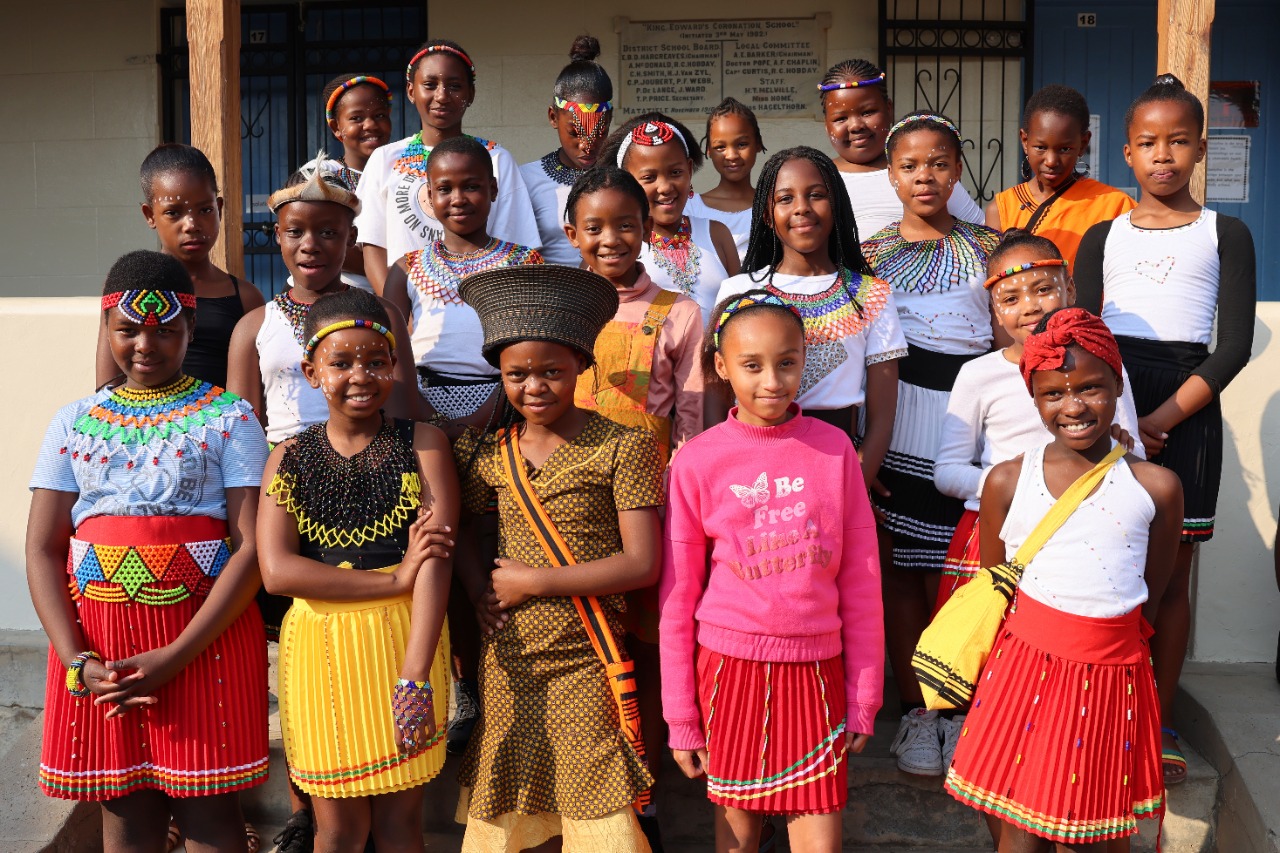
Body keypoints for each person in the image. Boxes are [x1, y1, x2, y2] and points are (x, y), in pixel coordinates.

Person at [28, 250, 270, 852]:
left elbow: (250, 546)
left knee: (211, 817)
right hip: (98, 647)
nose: (145, 344)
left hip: (203, 637)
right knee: (127, 813)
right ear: (106, 328)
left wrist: (178, 654)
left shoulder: (228, 416)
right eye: (128, 329)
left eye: (165, 330)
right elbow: (41, 549)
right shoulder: (74, 422)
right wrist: (77, 660)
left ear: (191, 328)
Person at [1075, 74, 1257, 786]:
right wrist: (1119, 416)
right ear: (1126, 153)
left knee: (1172, 576)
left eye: (1178, 141)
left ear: (1201, 149)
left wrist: (1158, 419)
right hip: (1108, 401)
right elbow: (1086, 335)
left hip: (1186, 407)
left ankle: (1158, 715)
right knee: (1106, 562)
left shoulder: (1226, 233)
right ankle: (1104, 709)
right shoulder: (1101, 235)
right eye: (1148, 142)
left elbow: (1233, 345)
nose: (1163, 155)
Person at [946, 306, 1183, 853]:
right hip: (1023, 672)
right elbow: (996, 585)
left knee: (1097, 834)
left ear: (1118, 384)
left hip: (1110, 678)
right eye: (1054, 393)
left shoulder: (1158, 488)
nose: (1074, 406)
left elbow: (1152, 595)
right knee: (1020, 830)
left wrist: (1102, 646)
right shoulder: (1006, 481)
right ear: (1034, 397)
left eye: (1093, 389)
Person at [660, 289, 883, 852]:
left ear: (805, 358)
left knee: (819, 840)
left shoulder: (835, 452)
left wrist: (864, 697)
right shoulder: (697, 460)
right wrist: (681, 716)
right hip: (730, 670)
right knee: (737, 841)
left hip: (817, 671)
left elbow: (860, 582)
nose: (772, 381)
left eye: (787, 362)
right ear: (720, 366)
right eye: (751, 365)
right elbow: (679, 596)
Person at [452, 264, 661, 852]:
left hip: (587, 658)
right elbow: (466, 531)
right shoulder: (487, 452)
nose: (534, 387)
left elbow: (642, 562)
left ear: (581, 368)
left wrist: (534, 583)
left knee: (595, 811)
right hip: (510, 659)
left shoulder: (622, 444)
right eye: (517, 375)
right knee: (524, 806)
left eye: (552, 372)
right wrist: (477, 591)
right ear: (499, 374)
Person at [256, 288, 456, 853]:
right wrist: (392, 579)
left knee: (400, 827)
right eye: (341, 363)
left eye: (375, 360)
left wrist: (415, 677)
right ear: (311, 370)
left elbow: (435, 569)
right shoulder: (288, 458)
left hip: (405, 644)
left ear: (394, 365)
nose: (360, 375)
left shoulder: (424, 446)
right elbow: (278, 572)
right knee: (338, 831)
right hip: (319, 650)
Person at [564, 165, 706, 851]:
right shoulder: (558, 309)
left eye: (626, 224)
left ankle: (643, 791)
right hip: (563, 512)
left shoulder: (677, 312)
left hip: (647, 510)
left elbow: (692, 420)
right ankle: (587, 791)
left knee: (642, 654)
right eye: (595, 227)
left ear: (649, 229)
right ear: (573, 234)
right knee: (582, 656)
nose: (612, 239)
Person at [858, 112, 1001, 777]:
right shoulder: (868, 254)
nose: (925, 176)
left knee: (969, 574)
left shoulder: (989, 247)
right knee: (905, 572)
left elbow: (1008, 338)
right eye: (910, 165)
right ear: (891, 175)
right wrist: (870, 442)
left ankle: (965, 710)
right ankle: (920, 711)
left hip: (974, 423)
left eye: (939, 162)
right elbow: (861, 351)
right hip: (902, 418)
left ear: (958, 169)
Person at [227, 160, 417, 449]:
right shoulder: (253, 327)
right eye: (295, 232)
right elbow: (242, 434)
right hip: (284, 477)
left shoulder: (383, 315)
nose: (310, 245)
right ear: (278, 235)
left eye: (328, 233)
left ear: (351, 237)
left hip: (371, 466)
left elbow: (402, 415)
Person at [355, 38, 540, 295]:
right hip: (409, 312)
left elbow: (517, 246)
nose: (442, 96)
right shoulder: (384, 159)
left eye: (454, 86)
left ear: (471, 94)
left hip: (486, 307)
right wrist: (399, 314)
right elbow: (373, 248)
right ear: (411, 91)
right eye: (430, 85)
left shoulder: (496, 159)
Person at [384, 134, 543, 431]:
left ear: (493, 189)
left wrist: (475, 422)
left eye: (471, 186)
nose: (458, 198)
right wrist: (431, 422)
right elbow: (390, 356)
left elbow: (533, 351)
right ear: (429, 196)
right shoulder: (405, 269)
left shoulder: (524, 263)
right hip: (421, 405)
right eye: (445, 189)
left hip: (505, 405)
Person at [97, 144, 265, 391]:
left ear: (219, 208)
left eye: (205, 210)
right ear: (150, 215)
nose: (192, 224)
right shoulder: (126, 288)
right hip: (141, 425)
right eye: (173, 212)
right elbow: (108, 385)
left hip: (219, 426)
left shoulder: (246, 298)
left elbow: (257, 390)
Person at [819, 59, 984, 240]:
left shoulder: (929, 176)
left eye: (867, 112)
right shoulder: (819, 178)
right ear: (826, 125)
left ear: (889, 109)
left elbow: (978, 235)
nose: (856, 126)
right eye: (840, 119)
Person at [603, 113, 741, 320]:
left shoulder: (717, 235)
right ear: (625, 182)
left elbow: (741, 313)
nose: (665, 187)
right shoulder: (615, 247)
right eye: (649, 177)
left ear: (689, 169)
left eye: (675, 172)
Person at [987, 84, 1135, 268]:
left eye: (1064, 149)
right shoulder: (1002, 209)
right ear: (1025, 141)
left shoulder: (1116, 206)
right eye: (1040, 147)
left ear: (1083, 144)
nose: (1051, 161)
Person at [295, 73, 395, 291]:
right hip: (332, 295)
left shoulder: (403, 171)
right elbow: (323, 245)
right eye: (356, 118)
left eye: (379, 115)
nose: (370, 125)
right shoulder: (321, 175)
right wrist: (392, 266)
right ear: (335, 127)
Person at [520, 35, 614, 266]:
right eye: (575, 132)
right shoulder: (526, 180)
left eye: (599, 132)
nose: (587, 145)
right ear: (553, 117)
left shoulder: (624, 176)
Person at [686, 97, 765, 263]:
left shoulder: (771, 206)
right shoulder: (691, 208)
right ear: (708, 150)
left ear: (758, 143)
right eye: (720, 147)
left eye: (742, 144)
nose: (731, 155)